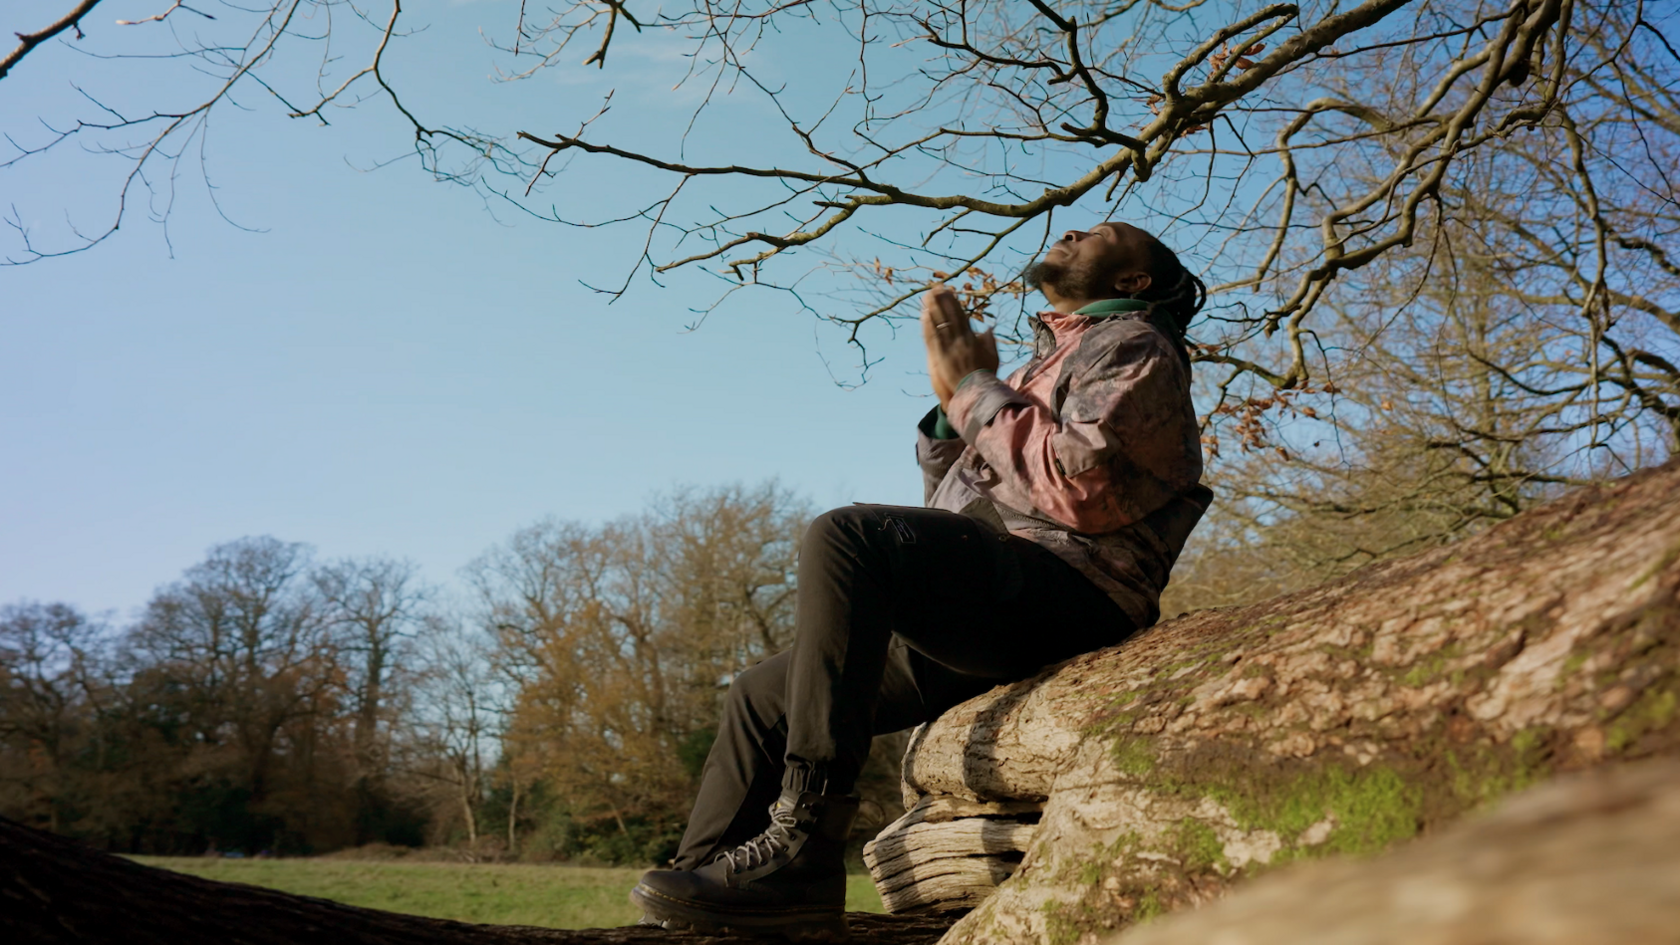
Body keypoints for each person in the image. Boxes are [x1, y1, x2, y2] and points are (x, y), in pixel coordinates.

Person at [629, 221, 1212, 940]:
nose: (1074, 228)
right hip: (999, 589)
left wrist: (971, 389)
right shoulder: (1043, 362)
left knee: (847, 534)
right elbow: (960, 503)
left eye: (1102, 233)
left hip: (1070, 591)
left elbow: (1078, 490)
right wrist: (950, 414)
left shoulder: (1134, 346)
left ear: (1133, 282)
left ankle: (805, 848)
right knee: (762, 696)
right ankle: (707, 900)